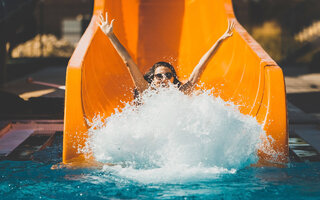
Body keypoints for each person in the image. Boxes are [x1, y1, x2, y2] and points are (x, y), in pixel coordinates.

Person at [98, 12, 234, 96]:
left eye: (168, 75)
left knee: (200, 94)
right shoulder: (146, 91)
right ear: (152, 79)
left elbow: (202, 65)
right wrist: (111, 36)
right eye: (159, 76)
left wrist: (220, 40)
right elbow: (128, 62)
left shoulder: (181, 93)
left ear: (173, 79)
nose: (163, 78)